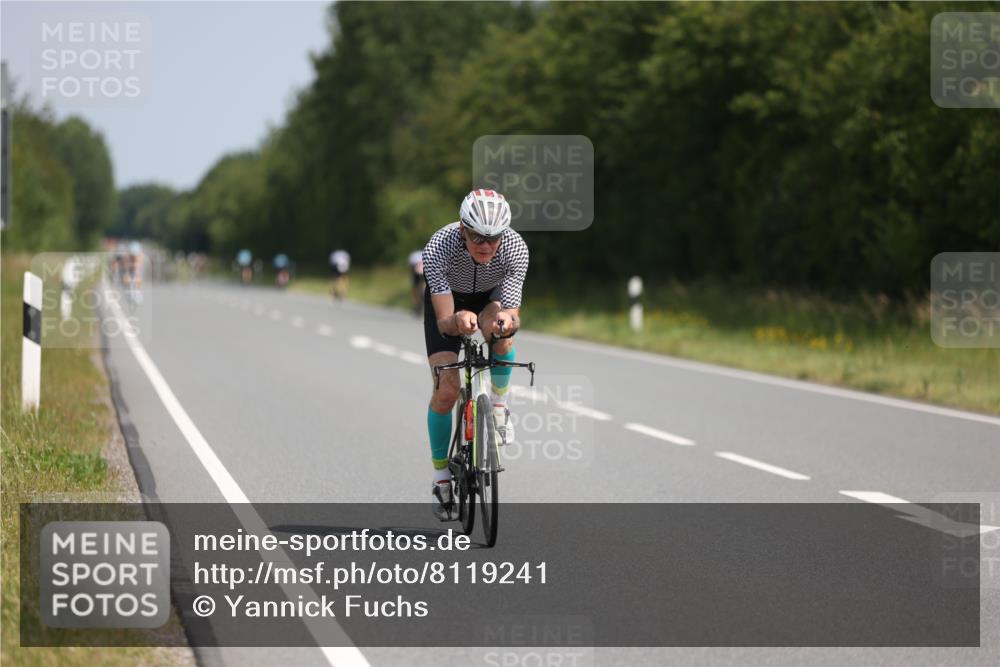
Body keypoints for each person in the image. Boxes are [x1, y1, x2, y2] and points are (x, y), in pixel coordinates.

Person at [422, 189, 528, 520]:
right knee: (447, 389)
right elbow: (443, 321)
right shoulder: (439, 246)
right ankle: (441, 477)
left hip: (489, 298)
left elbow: (512, 313)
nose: (486, 245)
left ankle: (498, 407)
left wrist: (506, 322)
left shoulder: (515, 248)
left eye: (493, 238)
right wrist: (455, 320)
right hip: (447, 302)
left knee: (502, 334)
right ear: (463, 230)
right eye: (478, 237)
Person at [408, 249, 425, 315]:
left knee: (415, 288)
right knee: (423, 285)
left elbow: (410, 267)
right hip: (424, 272)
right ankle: (423, 294)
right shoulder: (429, 252)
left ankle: (416, 304)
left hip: (416, 273)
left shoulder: (414, 255)